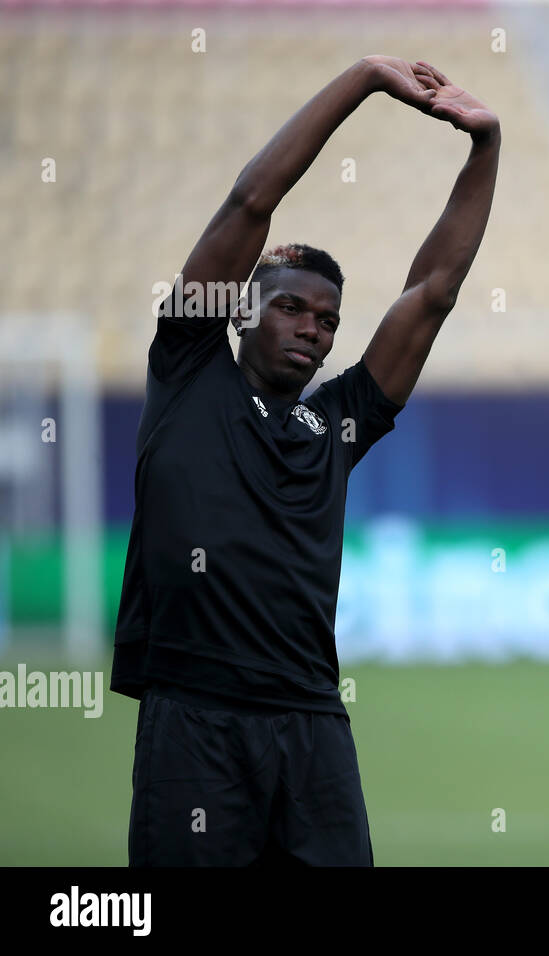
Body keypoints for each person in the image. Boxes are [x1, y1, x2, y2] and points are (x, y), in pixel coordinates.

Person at [111, 56, 500, 866]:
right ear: (242, 311)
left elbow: (433, 290)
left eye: (327, 320)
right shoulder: (188, 371)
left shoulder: (338, 423)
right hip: (196, 720)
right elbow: (253, 200)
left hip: (313, 724)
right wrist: (364, 80)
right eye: (289, 306)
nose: (312, 329)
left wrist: (485, 146)